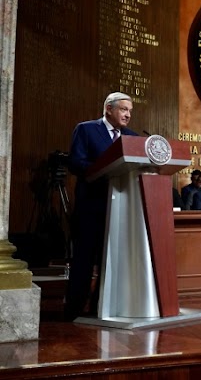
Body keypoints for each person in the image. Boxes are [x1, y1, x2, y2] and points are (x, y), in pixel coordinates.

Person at [66, 92, 137, 320]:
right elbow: (76, 162)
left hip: (120, 209)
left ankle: (101, 309)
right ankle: (74, 310)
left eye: (130, 111)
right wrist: (104, 170)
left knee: (111, 262)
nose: (127, 115)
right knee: (84, 261)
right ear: (108, 108)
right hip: (91, 207)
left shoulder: (132, 137)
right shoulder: (86, 129)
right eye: (124, 109)